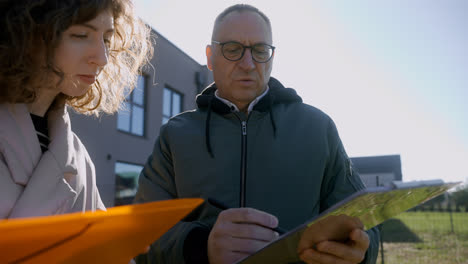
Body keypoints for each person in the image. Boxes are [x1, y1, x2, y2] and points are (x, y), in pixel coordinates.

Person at [134, 4, 378, 264]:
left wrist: (360, 250)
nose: (248, 64)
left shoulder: (318, 128)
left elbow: (366, 222)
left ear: (271, 57)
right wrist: (200, 246)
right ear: (210, 56)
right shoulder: (175, 135)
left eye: (260, 51)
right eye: (232, 49)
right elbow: (141, 229)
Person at [0, 0, 152, 219]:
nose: (102, 58)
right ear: (24, 32)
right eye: (81, 35)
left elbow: (96, 242)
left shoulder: (79, 158)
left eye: (107, 40)